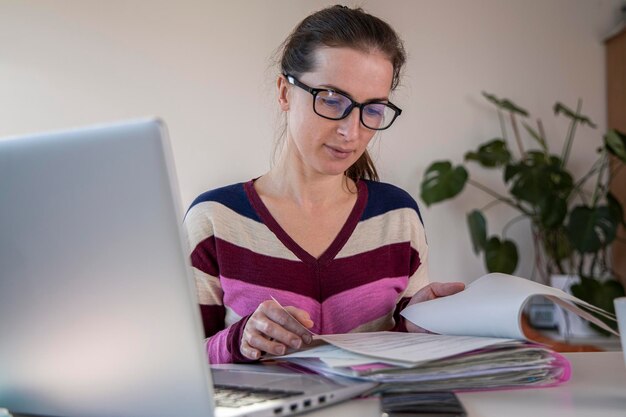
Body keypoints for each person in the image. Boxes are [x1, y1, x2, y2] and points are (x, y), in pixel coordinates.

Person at [184, 4, 465, 364]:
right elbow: (180, 362)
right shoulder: (216, 220)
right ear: (284, 92)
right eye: (332, 100)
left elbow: (398, 357)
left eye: (373, 109)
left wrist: (415, 328)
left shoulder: (397, 217)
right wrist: (240, 340)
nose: (352, 131)